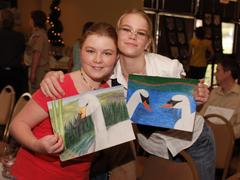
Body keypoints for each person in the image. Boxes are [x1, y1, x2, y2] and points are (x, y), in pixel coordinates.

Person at [40, 9, 215, 180]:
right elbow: (80, 81)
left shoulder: (166, 68)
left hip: (195, 142)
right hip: (154, 148)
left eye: (140, 33)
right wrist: (53, 76)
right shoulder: (107, 73)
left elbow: (188, 105)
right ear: (117, 35)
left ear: (147, 42)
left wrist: (198, 97)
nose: (133, 36)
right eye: (126, 29)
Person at [9, 22, 118, 179]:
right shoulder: (58, 85)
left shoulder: (108, 93)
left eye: (107, 53)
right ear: (80, 53)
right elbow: (17, 125)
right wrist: (37, 145)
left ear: (116, 58)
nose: (98, 59)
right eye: (90, 51)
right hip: (35, 173)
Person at [200, 59, 240, 139]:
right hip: (205, 138)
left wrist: (222, 135)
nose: (215, 74)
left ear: (228, 73)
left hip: (227, 143)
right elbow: (202, 115)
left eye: (218, 70)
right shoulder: (214, 92)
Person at [0, 9, 27, 101]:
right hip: (15, 75)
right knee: (14, 101)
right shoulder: (19, 36)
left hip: (2, 74)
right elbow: (22, 53)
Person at [24, 10, 50, 93]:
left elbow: (37, 54)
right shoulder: (39, 33)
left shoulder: (39, 35)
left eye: (31, 19)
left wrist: (33, 73)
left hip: (39, 70)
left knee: (35, 94)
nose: (29, 21)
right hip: (40, 69)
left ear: (35, 20)